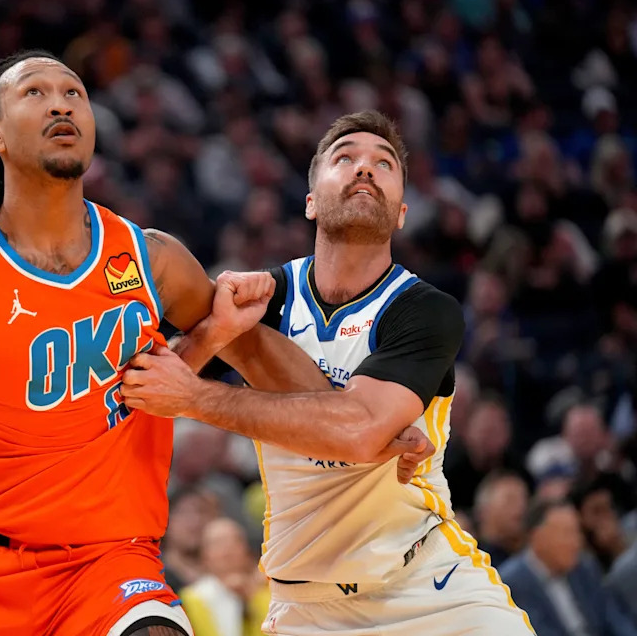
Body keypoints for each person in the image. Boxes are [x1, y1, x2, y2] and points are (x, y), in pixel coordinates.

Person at [0, 51, 431, 636]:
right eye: (36, 93)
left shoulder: (149, 258)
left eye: (74, 92)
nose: (61, 104)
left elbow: (253, 349)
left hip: (109, 565)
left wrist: (361, 419)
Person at [121, 111, 536, 634]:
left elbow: (359, 430)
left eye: (383, 164)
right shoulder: (261, 299)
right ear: (312, 200)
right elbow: (146, 389)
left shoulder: (424, 309)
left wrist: (195, 400)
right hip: (305, 607)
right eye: (346, 159)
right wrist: (212, 334)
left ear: (402, 212)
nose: (365, 169)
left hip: (430, 586)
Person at [499, 499, 637, 636]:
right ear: (538, 538)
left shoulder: (585, 568)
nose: (577, 542)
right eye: (567, 533)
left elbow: (613, 616)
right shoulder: (511, 584)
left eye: (577, 532)